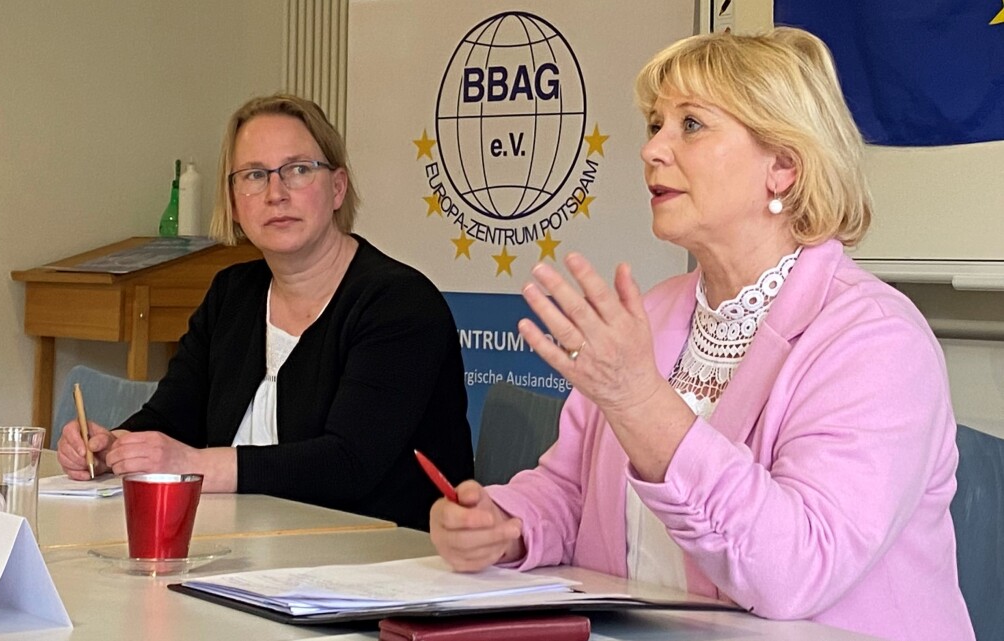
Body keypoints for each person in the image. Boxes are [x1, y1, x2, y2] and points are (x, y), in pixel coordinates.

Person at [429, 27, 974, 641]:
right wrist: (508, 524)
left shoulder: (877, 340)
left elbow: (794, 570)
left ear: (783, 167)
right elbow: (574, 494)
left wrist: (641, 403)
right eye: (654, 125)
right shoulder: (654, 315)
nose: (653, 150)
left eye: (690, 125)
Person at [58, 93, 474, 530]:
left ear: (337, 188)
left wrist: (193, 463)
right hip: (237, 547)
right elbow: (171, 416)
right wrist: (113, 445)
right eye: (254, 175)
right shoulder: (232, 294)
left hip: (375, 566)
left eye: (297, 170)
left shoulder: (399, 303)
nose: (276, 194)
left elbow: (347, 464)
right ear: (235, 204)